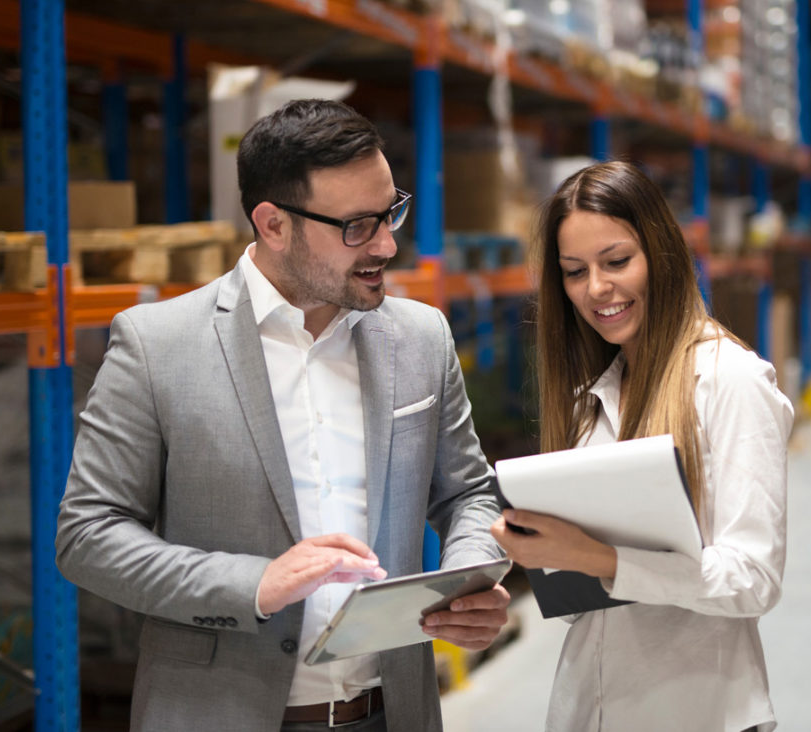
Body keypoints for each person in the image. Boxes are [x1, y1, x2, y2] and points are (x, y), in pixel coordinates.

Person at [56, 98, 510, 732]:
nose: (386, 243)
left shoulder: (421, 336)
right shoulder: (157, 345)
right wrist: (255, 584)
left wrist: (465, 579)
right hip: (220, 714)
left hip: (391, 711)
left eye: (390, 212)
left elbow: (468, 491)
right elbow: (88, 535)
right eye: (356, 226)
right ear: (272, 224)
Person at [491, 160, 792, 732]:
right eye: (574, 271)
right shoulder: (593, 399)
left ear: (662, 253)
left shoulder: (729, 380)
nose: (596, 289)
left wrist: (595, 558)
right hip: (590, 707)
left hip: (699, 711)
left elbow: (752, 579)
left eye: (617, 261)